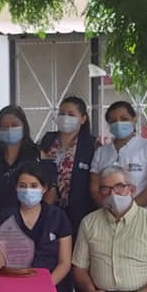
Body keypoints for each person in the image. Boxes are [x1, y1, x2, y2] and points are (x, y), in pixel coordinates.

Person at [0, 161, 73, 292]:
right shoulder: (4, 218)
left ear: (44, 188)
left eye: (34, 186)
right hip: (13, 288)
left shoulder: (58, 217)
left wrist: (45, 287)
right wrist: (18, 288)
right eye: (22, 186)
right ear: (16, 188)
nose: (28, 190)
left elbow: (64, 263)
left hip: (52, 288)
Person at [39, 96, 98, 230]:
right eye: (62, 114)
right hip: (48, 209)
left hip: (80, 213)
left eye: (71, 114)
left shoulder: (91, 144)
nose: (65, 118)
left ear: (83, 118)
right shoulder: (48, 140)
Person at [89, 101, 147, 208]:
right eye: (113, 121)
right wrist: (110, 209)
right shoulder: (101, 152)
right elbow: (94, 188)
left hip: (141, 212)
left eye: (124, 119)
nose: (119, 123)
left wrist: (129, 211)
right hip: (108, 213)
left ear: (134, 119)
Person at [0, 106, 42, 219]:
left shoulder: (37, 155)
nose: (9, 129)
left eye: (14, 125)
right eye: (4, 126)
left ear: (24, 127)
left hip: (30, 220)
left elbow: (48, 190)